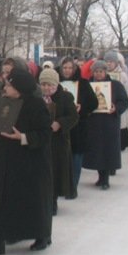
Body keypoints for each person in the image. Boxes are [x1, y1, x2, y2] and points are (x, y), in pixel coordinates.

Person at [0, 68, 53, 255]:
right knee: (0, 198)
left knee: (30, 201)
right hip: (3, 160)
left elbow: (45, 134)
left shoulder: (36, 105)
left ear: (19, 88)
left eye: (9, 85)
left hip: (29, 163)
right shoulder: (5, 102)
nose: (5, 87)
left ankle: (41, 235)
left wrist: (23, 137)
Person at [82, 60, 128, 190]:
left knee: (108, 150)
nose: (98, 74)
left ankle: (105, 178)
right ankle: (100, 175)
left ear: (105, 72)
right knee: (96, 151)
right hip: (93, 122)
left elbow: (124, 101)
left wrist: (116, 108)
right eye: (96, 71)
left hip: (109, 123)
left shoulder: (115, 85)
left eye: (101, 71)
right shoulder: (88, 85)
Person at [38, 67, 78, 214]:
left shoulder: (65, 97)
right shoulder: (37, 98)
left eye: (50, 85)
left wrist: (60, 123)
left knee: (55, 172)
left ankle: (53, 201)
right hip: (41, 141)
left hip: (58, 142)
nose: (46, 88)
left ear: (56, 85)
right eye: (43, 85)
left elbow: (73, 117)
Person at [58, 56, 97, 196]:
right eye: (64, 68)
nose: (67, 71)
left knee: (76, 156)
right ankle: (63, 186)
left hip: (79, 125)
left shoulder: (83, 83)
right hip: (62, 125)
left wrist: (83, 107)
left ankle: (73, 186)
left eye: (70, 68)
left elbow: (94, 103)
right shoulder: (56, 83)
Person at [103, 51, 128, 151]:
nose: (109, 64)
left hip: (119, 107)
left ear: (116, 63)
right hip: (105, 107)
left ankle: (121, 145)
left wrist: (123, 100)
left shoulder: (122, 75)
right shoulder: (102, 74)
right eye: (107, 61)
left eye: (111, 61)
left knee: (120, 127)